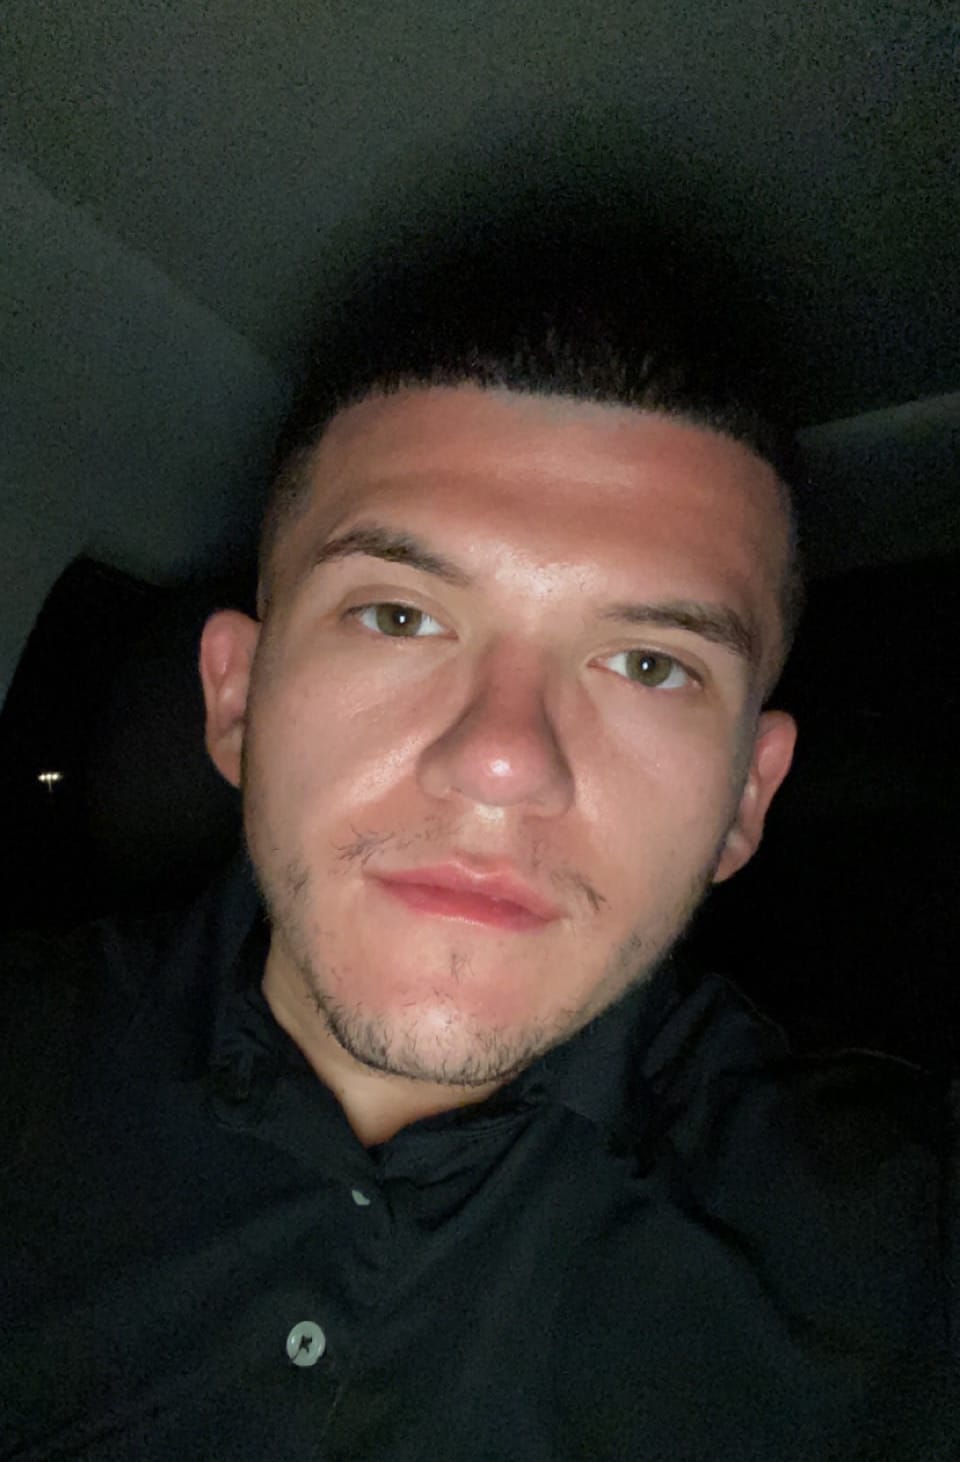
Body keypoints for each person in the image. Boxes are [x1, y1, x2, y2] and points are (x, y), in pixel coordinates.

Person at [1, 242, 956, 1461]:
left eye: (649, 664)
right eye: (398, 614)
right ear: (235, 701)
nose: (504, 760)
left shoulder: (892, 1259)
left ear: (744, 802)